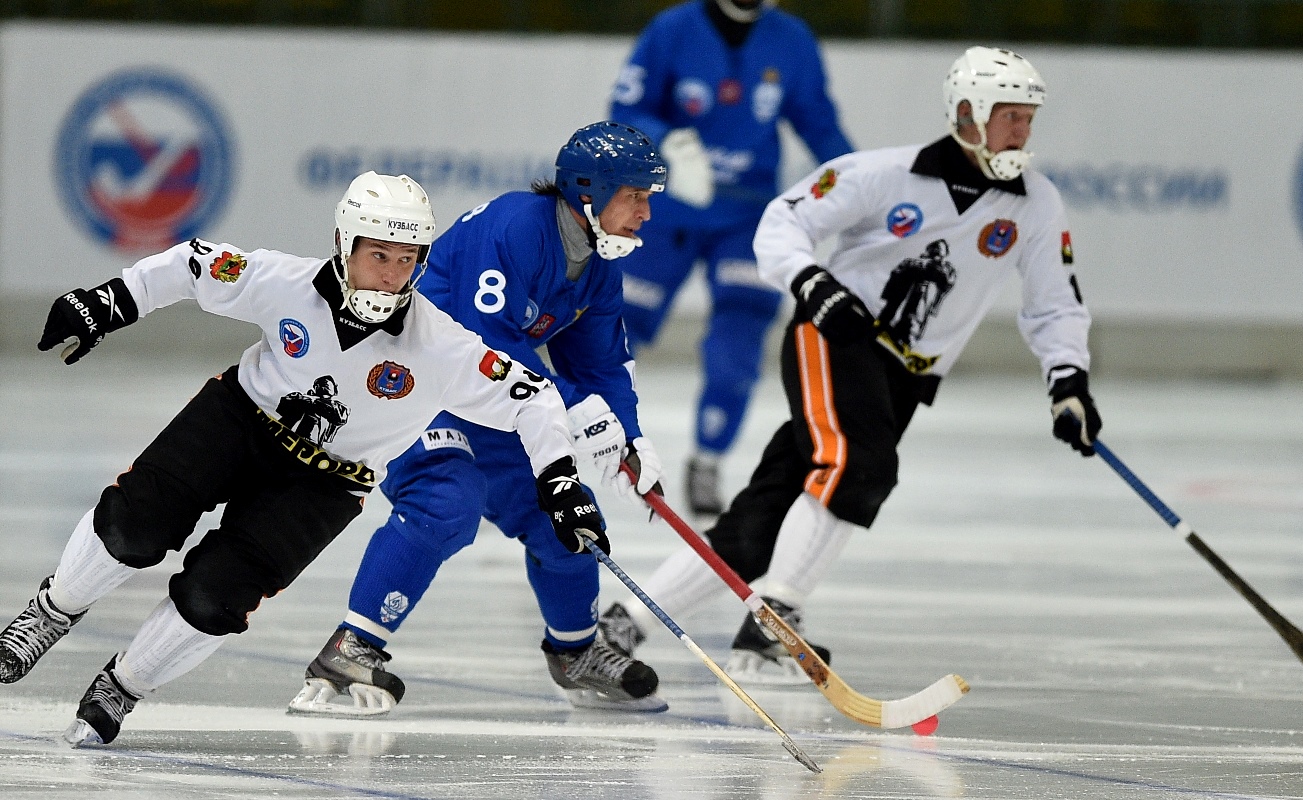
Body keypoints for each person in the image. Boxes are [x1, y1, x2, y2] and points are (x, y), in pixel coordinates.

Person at [0, 171, 612, 746]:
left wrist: (558, 478)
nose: (392, 276)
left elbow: (529, 396)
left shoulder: (440, 343)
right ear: (344, 247)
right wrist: (109, 302)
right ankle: (50, 613)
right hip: (238, 421)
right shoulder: (287, 282)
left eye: (407, 261)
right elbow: (192, 264)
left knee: (217, 597)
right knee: (134, 525)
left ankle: (122, 686)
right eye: (379, 256)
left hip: (325, 486)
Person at [599, 47, 1103, 685]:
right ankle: (774, 618)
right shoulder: (884, 174)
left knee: (770, 509)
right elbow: (784, 220)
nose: (1022, 132)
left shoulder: (1036, 203)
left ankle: (624, 623)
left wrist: (1068, 382)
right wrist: (812, 283)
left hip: (907, 376)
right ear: (968, 114)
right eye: (1010, 117)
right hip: (836, 335)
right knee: (858, 464)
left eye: (1028, 119)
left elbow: (1057, 304)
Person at [286, 122, 671, 718]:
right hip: (413, 385)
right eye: (636, 196)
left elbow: (601, 368)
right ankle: (352, 647)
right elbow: (482, 338)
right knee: (447, 499)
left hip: (494, 397)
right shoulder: (517, 227)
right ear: (590, 193)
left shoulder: (599, 267)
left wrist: (630, 437)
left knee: (564, 515)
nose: (646, 212)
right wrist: (573, 406)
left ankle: (575, 653)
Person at [609, 0, 854, 516]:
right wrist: (667, 141)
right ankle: (571, 445)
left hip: (747, 217)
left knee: (739, 340)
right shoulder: (672, 29)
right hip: (664, 208)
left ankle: (707, 459)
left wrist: (858, 185)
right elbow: (627, 108)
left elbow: (820, 125)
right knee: (612, 330)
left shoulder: (791, 39)